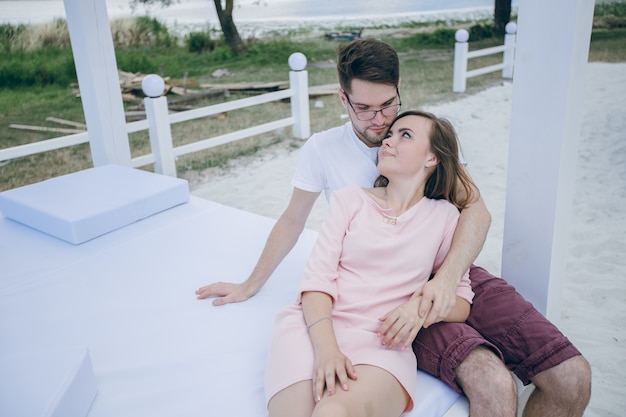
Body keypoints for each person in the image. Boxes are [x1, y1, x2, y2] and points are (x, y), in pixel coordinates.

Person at [196, 38, 591, 416]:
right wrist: (250, 283)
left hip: (449, 268)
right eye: (365, 108)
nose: (380, 120)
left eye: (388, 104)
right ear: (343, 98)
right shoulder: (325, 152)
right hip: (382, 291)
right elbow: (293, 219)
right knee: (492, 382)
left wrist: (443, 281)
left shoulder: (422, 137)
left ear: (399, 88)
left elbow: (476, 210)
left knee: (571, 378)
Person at [265, 110, 476, 417]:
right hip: (313, 329)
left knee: (331, 412)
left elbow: (461, 301)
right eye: (389, 134)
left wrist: (417, 309)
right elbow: (316, 282)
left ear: (432, 158)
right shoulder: (349, 200)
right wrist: (327, 351)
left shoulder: (445, 217)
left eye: (405, 135)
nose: (388, 141)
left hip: (382, 344)